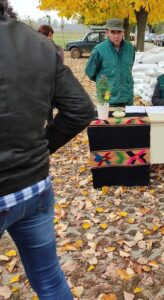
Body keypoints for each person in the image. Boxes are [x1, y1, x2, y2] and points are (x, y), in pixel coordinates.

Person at [0, 1, 95, 299]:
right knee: (50, 281)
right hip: (35, 188)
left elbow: (80, 111)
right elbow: (80, 109)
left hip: (25, 183)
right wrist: (39, 149)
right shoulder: (40, 44)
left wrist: (40, 148)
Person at [85, 18, 135, 107]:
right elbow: (90, 72)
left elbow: (129, 69)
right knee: (108, 120)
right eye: (113, 32)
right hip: (107, 99)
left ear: (123, 32)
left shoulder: (130, 48)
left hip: (127, 98)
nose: (116, 36)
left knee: (127, 120)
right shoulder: (99, 50)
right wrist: (105, 83)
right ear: (107, 32)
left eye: (119, 32)